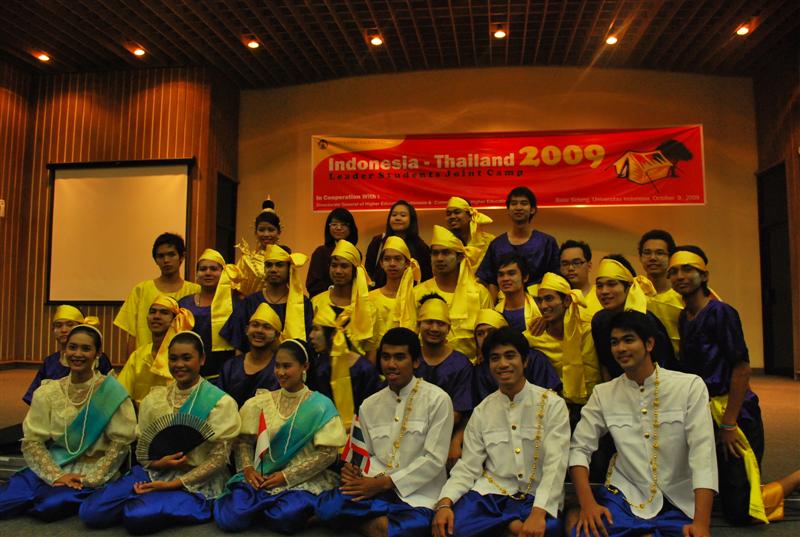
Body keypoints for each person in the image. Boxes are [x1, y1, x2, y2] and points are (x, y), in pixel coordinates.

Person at [668, 246, 799, 524]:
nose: (680, 276)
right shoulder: (684, 316)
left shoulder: (721, 312)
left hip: (735, 414)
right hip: (706, 413)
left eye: (688, 269)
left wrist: (729, 423)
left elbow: (741, 369)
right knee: (723, 496)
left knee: (741, 513)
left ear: (704, 275)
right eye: (674, 271)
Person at [568, 311, 717, 537]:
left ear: (649, 344)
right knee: (584, 529)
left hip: (678, 500)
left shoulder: (689, 387)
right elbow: (579, 448)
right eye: (614, 342)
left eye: (628, 340)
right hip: (627, 497)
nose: (620, 348)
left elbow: (703, 455)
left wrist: (702, 524)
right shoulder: (604, 393)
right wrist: (588, 505)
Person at [79, 331, 241, 532]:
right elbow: (143, 449)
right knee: (91, 512)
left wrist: (172, 485)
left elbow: (218, 459)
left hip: (195, 482)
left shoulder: (220, 402)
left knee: (136, 516)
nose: (179, 365)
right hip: (156, 471)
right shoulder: (154, 400)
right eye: (173, 359)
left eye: (186, 358)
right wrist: (156, 463)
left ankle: (151, 502)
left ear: (202, 359)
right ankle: (144, 500)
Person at [316, 327, 454, 537]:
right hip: (372, 485)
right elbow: (363, 455)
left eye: (399, 357)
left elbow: (434, 460)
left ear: (416, 361)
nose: (391, 364)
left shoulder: (438, 400)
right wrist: (353, 471)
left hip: (417, 494)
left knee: (407, 529)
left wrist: (384, 483)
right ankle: (373, 525)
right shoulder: (369, 405)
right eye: (386, 357)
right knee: (326, 507)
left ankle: (361, 524)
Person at [433, 327, 570, 537]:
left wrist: (539, 512)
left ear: (525, 361)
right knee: (453, 525)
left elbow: (556, 464)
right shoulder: (482, 411)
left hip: (536, 497)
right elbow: (468, 467)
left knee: (545, 530)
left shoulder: (553, 405)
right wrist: (444, 503)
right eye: (495, 358)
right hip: (491, 497)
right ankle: (509, 525)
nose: (503, 364)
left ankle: (504, 526)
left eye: (510, 356)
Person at [0, 325, 135, 520]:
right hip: (55, 463)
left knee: (47, 506)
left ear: (98, 353)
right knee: (5, 500)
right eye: (72, 347)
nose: (77, 354)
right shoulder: (49, 391)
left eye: (86, 349)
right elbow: (32, 440)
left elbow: (120, 445)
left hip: (91, 470)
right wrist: (56, 475)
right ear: (65, 350)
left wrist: (92, 479)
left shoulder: (111, 393)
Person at [214, 339, 347, 533]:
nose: (280, 372)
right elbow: (244, 442)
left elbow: (327, 454)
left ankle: (273, 510)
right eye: (277, 366)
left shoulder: (320, 406)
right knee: (230, 517)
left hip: (300, 481)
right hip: (262, 476)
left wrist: (286, 476)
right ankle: (263, 508)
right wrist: (248, 469)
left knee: (284, 516)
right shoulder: (261, 401)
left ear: (305, 367)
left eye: (287, 366)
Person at [526, 273, 600, 427]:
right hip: (554, 412)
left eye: (549, 299)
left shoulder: (589, 331)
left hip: (594, 409)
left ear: (566, 301)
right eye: (540, 300)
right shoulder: (533, 337)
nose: (543, 306)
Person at [114, 232, 200, 356]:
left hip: (181, 361)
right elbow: (132, 335)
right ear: (155, 260)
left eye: (171, 254)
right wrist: (131, 363)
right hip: (145, 360)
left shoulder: (195, 291)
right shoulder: (141, 290)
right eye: (161, 256)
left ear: (182, 257)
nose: (166, 260)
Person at [590, 255, 674, 381]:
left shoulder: (646, 320)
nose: (604, 291)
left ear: (629, 286)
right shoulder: (599, 320)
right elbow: (605, 366)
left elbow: (663, 365)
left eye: (612, 284)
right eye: (599, 286)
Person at [415, 225, 492, 357]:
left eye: (446, 253)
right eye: (435, 253)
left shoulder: (480, 293)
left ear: (460, 257)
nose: (439, 258)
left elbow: (489, 335)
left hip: (471, 365)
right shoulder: (417, 292)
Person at [416, 294, 474, 469]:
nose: (434, 328)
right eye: (429, 322)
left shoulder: (461, 364)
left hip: (445, 438)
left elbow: (461, 413)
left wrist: (455, 442)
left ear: (448, 328)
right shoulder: (410, 359)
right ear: (418, 324)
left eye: (440, 323)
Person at [221, 243, 313, 352]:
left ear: (289, 269)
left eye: (279, 265)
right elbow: (238, 344)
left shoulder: (303, 304)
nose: (273, 269)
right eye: (269, 265)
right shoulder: (250, 302)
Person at [476, 186, 559, 301]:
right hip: (504, 304)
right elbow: (491, 281)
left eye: (524, 203)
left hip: (539, 304)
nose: (518, 207)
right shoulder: (497, 245)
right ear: (508, 210)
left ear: (532, 209)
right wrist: (492, 308)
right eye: (514, 203)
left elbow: (555, 279)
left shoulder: (547, 243)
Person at [23, 306, 112, 405]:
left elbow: (111, 394)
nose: (64, 330)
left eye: (70, 325)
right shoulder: (50, 362)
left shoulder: (98, 359)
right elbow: (35, 398)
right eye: (58, 326)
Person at [308, 305, 383, 419]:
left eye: (316, 329)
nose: (311, 335)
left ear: (333, 334)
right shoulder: (319, 366)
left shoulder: (364, 369)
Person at [117, 295, 194, 405]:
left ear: (175, 319)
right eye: (153, 312)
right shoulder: (138, 355)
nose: (156, 316)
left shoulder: (182, 357)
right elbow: (119, 392)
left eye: (164, 312)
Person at [472, 309, 561, 403]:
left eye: (491, 331)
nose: (485, 337)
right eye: (480, 334)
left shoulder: (535, 358)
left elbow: (551, 395)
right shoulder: (480, 369)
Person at [178, 248, 240, 379]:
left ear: (223, 273)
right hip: (188, 374)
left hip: (225, 375)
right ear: (197, 274)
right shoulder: (184, 304)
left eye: (213, 269)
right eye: (203, 269)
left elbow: (239, 344)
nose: (208, 273)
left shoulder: (234, 304)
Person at [311, 239, 377, 356]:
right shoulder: (316, 302)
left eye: (344, 266)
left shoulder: (367, 308)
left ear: (354, 271)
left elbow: (370, 351)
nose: (338, 271)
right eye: (334, 265)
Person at [215, 303, 282, 407]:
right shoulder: (231, 366)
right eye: (255, 325)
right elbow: (219, 404)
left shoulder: (279, 369)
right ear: (247, 330)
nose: (259, 330)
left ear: (276, 335)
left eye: (266, 327)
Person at [365, 200, 432, 288]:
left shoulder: (420, 246)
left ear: (411, 219)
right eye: (394, 215)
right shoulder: (378, 242)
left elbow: (427, 276)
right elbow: (368, 272)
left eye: (403, 215)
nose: (397, 218)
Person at [368, 235, 420, 342]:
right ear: (381, 263)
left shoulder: (416, 297)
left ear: (407, 263)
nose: (392, 264)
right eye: (387, 259)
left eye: (397, 259)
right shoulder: (370, 298)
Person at [639, 229, 683, 355]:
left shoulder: (682, 294)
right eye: (647, 253)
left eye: (660, 253)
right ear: (640, 258)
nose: (653, 258)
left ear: (671, 257)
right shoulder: (634, 293)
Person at [234, 199, 285, 297]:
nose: (266, 234)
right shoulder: (246, 260)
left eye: (271, 230)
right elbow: (238, 294)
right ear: (255, 232)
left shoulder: (286, 260)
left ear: (279, 232)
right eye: (261, 230)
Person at [306, 208, 359, 298]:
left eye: (343, 224)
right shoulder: (321, 252)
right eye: (334, 224)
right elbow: (313, 284)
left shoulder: (356, 252)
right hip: (323, 301)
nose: (338, 228)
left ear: (351, 228)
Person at [493, 252, 537, 334]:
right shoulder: (495, 312)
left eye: (511, 273)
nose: (505, 279)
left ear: (525, 277)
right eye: (501, 275)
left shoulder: (540, 307)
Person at [559, 240, 601, 323]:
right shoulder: (556, 300)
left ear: (589, 266)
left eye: (576, 263)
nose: (570, 268)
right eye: (565, 264)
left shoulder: (601, 295)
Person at [445, 196, 494, 267]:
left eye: (457, 212)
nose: (452, 216)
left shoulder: (489, 242)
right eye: (448, 214)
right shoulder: (444, 243)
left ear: (470, 216)